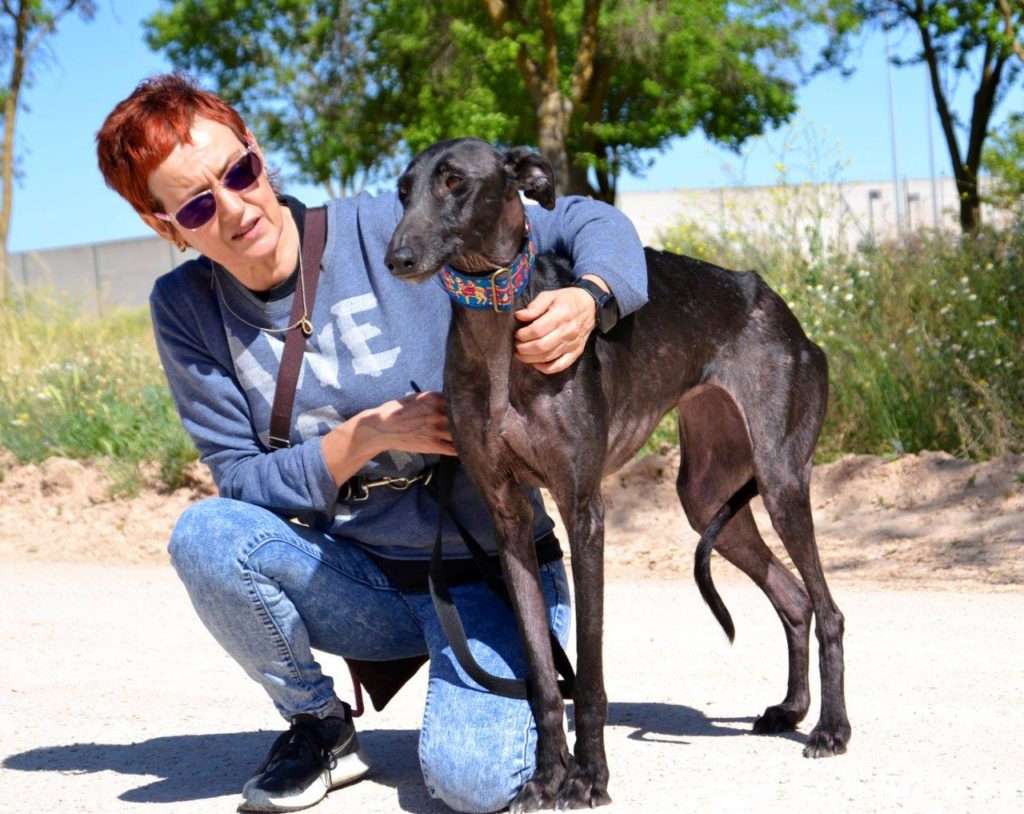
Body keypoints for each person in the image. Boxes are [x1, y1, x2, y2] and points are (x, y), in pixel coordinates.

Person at [96, 72, 647, 814]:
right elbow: (240, 481)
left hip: (489, 567)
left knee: (474, 783)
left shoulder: (390, 222)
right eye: (196, 203)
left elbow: (585, 221)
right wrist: (363, 438)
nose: (233, 207)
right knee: (207, 535)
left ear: (259, 154)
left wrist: (592, 296)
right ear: (169, 228)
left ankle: (493, 674)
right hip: (359, 580)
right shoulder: (186, 309)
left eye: (239, 172)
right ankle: (320, 726)